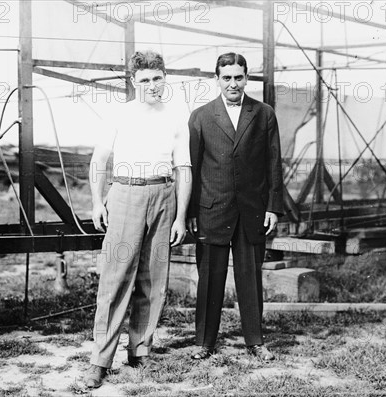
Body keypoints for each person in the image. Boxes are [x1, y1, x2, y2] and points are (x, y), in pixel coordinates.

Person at [83, 50, 192, 389]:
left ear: (165, 78)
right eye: (145, 80)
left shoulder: (177, 115)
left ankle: (140, 350)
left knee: (153, 280)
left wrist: (181, 217)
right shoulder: (121, 114)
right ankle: (100, 359)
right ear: (133, 82)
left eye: (158, 78)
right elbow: (99, 159)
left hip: (163, 196)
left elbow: (183, 168)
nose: (152, 85)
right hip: (125, 194)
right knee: (115, 281)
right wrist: (97, 202)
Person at [187, 52, 283, 361]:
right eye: (226, 77)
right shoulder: (201, 117)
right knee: (210, 279)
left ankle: (255, 341)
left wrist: (273, 207)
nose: (233, 83)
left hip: (252, 211)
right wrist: (190, 212)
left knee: (250, 278)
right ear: (217, 79)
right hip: (212, 209)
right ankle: (204, 343)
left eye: (238, 77)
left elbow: (274, 163)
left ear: (246, 78)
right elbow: (192, 165)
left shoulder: (264, 113)